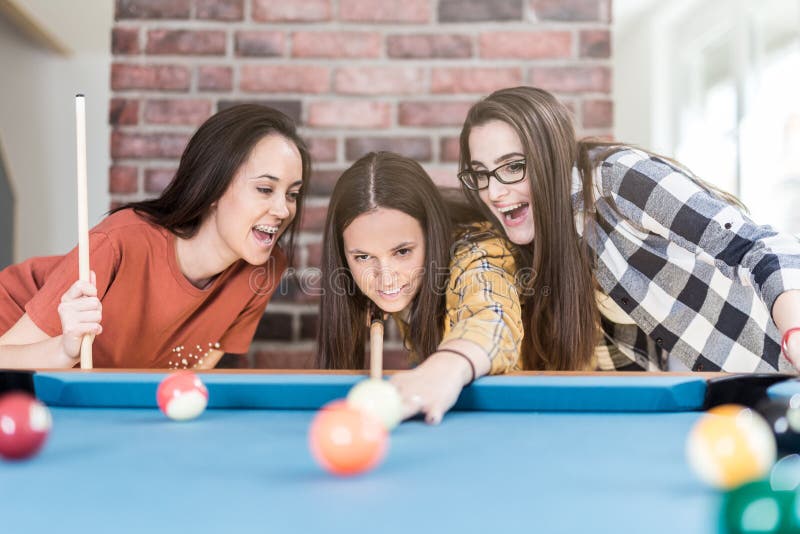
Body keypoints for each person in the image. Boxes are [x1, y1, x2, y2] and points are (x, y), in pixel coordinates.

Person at [457, 85, 800, 373]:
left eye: (513, 166)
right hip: (719, 408)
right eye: (481, 174)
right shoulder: (551, 250)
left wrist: (796, 334)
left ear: (551, 157)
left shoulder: (619, 179)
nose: (494, 192)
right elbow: (628, 365)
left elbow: (758, 248)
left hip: (780, 373)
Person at [0, 104, 310, 369]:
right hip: (15, 332)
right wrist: (63, 351)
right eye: (265, 189)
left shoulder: (264, 267)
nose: (283, 210)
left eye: (292, 194)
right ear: (214, 186)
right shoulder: (120, 241)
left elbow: (191, 373)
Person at [317, 151, 522, 424]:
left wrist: (448, 364)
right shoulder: (372, 282)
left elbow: (492, 314)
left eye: (402, 251)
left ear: (431, 234)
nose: (386, 278)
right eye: (363, 257)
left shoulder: (477, 251)